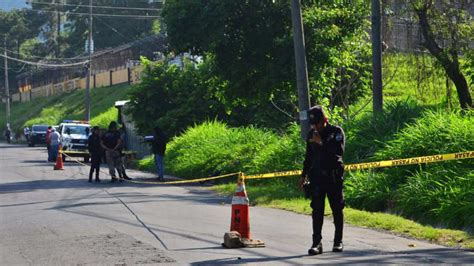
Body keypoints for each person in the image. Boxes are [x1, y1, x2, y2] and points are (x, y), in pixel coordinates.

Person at [299, 105, 345, 255]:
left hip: (333, 176)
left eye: (317, 123)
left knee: (337, 209)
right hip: (317, 177)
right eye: (313, 124)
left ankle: (338, 241)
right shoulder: (312, 134)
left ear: (325, 120)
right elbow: (309, 157)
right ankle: (316, 243)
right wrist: (303, 175)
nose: (315, 127)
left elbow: (338, 152)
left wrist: (321, 143)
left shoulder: (336, 132)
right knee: (317, 210)